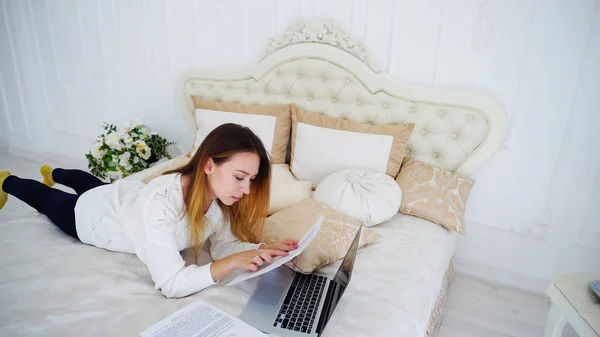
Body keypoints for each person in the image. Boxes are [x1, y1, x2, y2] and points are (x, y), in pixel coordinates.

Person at [0, 123, 297, 298]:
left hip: (123, 196)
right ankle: (7, 180)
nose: (246, 189)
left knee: (91, 182)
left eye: (251, 180)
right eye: (240, 177)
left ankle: (54, 171)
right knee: (45, 198)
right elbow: (171, 283)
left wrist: (262, 250)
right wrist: (232, 264)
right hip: (93, 217)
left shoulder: (221, 199)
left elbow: (223, 245)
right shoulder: (160, 204)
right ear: (209, 165)